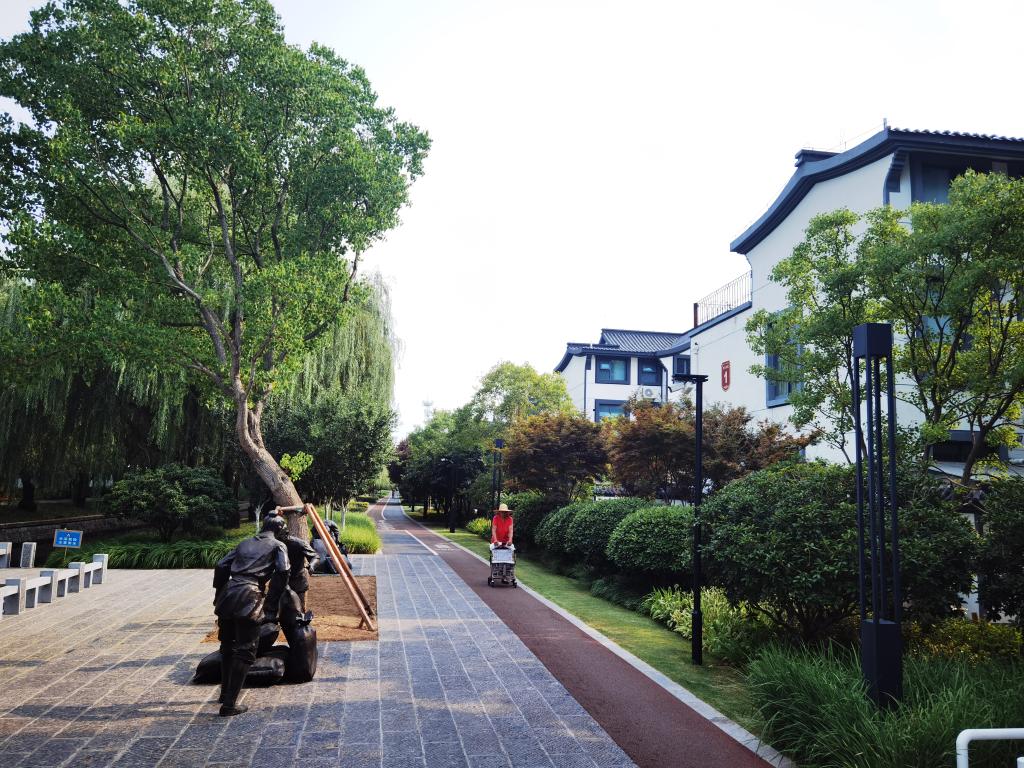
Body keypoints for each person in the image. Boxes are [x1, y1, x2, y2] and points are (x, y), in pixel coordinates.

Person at [212, 515, 290, 716]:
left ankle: (225, 693)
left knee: (227, 645)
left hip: (229, 593)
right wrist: (272, 602)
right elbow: (284, 571)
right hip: (249, 595)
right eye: (284, 529)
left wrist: (219, 593)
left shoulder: (244, 542)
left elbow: (221, 566)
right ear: (279, 528)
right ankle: (229, 704)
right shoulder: (278, 545)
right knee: (246, 650)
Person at [264, 511, 319, 610]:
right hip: (278, 580)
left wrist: (312, 566)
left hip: (297, 581)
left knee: (298, 609)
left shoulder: (299, 544)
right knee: (272, 608)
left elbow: (315, 556)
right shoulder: (272, 544)